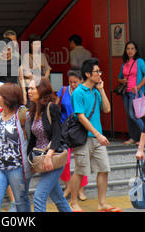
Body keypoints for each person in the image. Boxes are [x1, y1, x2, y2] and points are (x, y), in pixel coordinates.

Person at [70, 58, 121, 212]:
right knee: (80, 170)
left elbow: (106, 109)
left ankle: (102, 203)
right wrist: (97, 134)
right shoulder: (78, 92)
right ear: (87, 74)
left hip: (97, 137)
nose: (99, 74)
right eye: (96, 71)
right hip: (84, 137)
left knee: (104, 168)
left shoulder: (95, 91)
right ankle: (73, 202)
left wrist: (102, 89)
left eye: (99, 71)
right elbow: (81, 117)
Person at [26, 77, 72, 212]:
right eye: (28, 88)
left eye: (32, 88)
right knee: (58, 197)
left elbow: (58, 135)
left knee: (39, 197)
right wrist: (31, 160)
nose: (29, 91)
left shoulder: (52, 108)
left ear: (42, 90)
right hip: (41, 159)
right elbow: (33, 139)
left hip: (53, 158)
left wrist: (49, 155)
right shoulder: (33, 110)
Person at [0, 83, 31, 212]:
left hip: (17, 167)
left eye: (0, 94)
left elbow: (32, 138)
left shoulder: (23, 115)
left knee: (21, 200)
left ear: (8, 98)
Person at [55, 67, 88, 201]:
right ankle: (68, 186)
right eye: (71, 82)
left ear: (81, 81)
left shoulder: (85, 93)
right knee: (66, 161)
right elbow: (55, 108)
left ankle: (81, 189)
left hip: (80, 130)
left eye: (76, 82)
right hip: (65, 130)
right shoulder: (63, 91)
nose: (73, 85)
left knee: (81, 160)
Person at [118, 41, 145, 145]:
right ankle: (132, 137)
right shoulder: (125, 62)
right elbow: (119, 77)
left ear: (136, 50)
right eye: (128, 48)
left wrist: (138, 86)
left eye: (132, 48)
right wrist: (122, 80)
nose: (130, 51)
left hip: (135, 93)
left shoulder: (139, 61)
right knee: (129, 116)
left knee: (134, 115)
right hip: (125, 93)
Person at [0, 37, 26, 105]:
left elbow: (21, 78)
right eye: (4, 50)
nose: (7, 52)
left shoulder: (17, 60)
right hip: (3, 91)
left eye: (9, 49)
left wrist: (24, 94)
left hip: (14, 91)